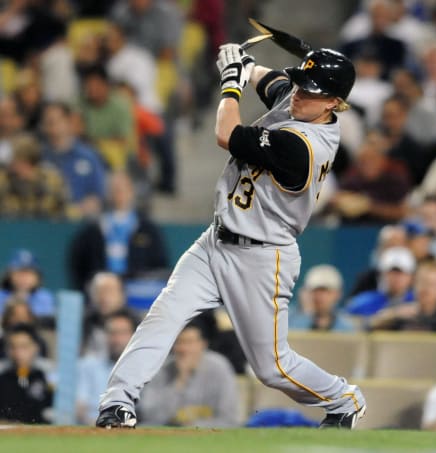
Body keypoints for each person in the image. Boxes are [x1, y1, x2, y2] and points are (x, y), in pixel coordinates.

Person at [96, 45, 366, 429]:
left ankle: (344, 398)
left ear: (335, 104)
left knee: (271, 368)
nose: (300, 95)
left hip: (263, 257)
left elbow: (226, 133)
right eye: (302, 85)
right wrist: (248, 66)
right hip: (215, 242)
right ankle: (117, 404)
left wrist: (230, 82)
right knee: (162, 316)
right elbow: (275, 84)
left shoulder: (304, 146)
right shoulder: (302, 103)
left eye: (311, 91)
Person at [69, 172, 168, 290]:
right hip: (101, 293)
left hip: (137, 292)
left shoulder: (148, 230)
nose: (119, 194)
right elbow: (78, 264)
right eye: (114, 190)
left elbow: (160, 265)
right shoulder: (92, 230)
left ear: (131, 191)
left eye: (123, 189)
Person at [139, 321, 239, 427]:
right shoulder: (162, 368)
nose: (184, 349)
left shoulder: (219, 367)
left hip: (207, 435)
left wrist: (193, 425)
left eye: (190, 342)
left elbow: (229, 418)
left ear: (203, 344)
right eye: (179, 342)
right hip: (169, 435)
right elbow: (150, 415)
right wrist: (180, 380)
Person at [41, 102, 106, 219]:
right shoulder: (40, 157)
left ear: (68, 122)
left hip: (80, 223)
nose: (52, 127)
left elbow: (98, 195)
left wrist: (76, 211)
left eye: (55, 121)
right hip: (45, 222)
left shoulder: (88, 156)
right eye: (47, 123)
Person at [76, 310, 138, 425]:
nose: (117, 340)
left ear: (134, 336)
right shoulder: (87, 365)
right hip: (92, 429)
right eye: (112, 333)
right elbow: (79, 407)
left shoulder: (144, 369)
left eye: (123, 333)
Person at [0, 133, 68, 219]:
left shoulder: (52, 180)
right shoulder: (3, 180)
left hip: (45, 229)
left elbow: (64, 212)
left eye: (13, 159)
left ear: (24, 160)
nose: (9, 164)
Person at [0, 324, 53, 424]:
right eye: (13, 347)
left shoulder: (46, 376)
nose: (18, 353)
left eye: (24, 347)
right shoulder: (2, 380)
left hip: (43, 435)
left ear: (36, 348)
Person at [346, 246, 416, 319]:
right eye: (391, 272)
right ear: (382, 274)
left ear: (411, 276)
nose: (396, 278)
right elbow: (345, 322)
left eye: (401, 273)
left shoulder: (419, 301)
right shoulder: (362, 303)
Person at [290, 265, 356, 332]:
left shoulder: (346, 327)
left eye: (325, 291)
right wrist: (307, 314)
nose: (319, 296)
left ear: (338, 294)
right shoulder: (287, 318)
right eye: (315, 291)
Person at [82, 272, 131, 357]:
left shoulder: (135, 323)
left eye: (110, 291)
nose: (104, 297)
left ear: (122, 295)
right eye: (99, 291)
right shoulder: (83, 322)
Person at [0, 249, 55, 319]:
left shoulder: (44, 297)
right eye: (20, 272)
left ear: (37, 277)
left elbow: (44, 323)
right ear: (9, 275)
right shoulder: (1, 295)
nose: (24, 278)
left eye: (29, 273)